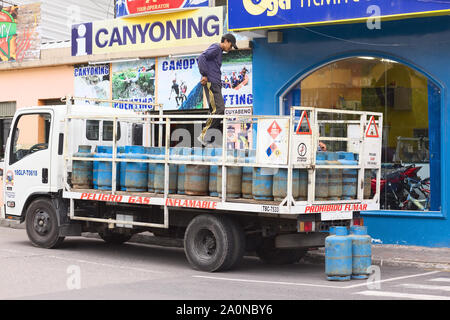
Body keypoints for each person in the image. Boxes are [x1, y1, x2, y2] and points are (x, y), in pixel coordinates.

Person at [197, 33, 238, 146]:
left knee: (216, 110)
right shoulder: (216, 47)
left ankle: (206, 136)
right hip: (211, 82)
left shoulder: (219, 51)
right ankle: (204, 135)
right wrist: (204, 75)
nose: (230, 48)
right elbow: (201, 57)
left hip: (215, 83)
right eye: (231, 45)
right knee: (219, 109)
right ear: (226, 41)